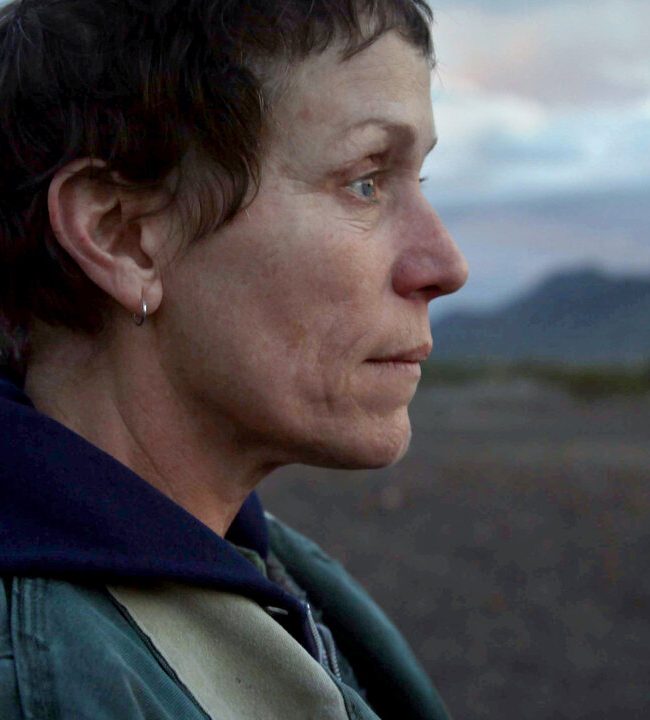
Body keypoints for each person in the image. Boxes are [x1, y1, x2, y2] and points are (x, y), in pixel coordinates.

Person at [0, 0, 468, 717]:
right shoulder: (39, 687)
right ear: (123, 236)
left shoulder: (264, 567)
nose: (444, 265)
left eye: (419, 179)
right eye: (365, 180)